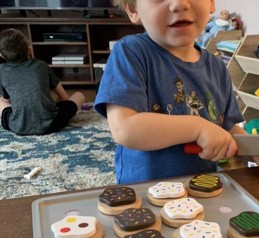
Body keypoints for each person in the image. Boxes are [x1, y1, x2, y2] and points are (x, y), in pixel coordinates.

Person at [94, 0, 246, 184]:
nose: (179, 4)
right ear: (134, 10)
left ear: (212, 2)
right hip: (146, 192)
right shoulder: (131, 53)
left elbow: (227, 130)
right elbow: (124, 128)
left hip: (203, 188)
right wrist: (197, 128)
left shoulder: (217, 68)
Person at [0, 28, 85, 136]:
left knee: (1, 102)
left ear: (1, 55)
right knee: (79, 95)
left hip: (19, 126)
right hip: (52, 124)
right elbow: (64, 97)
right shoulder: (41, 65)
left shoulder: (1, 71)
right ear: (28, 47)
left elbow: (6, 101)